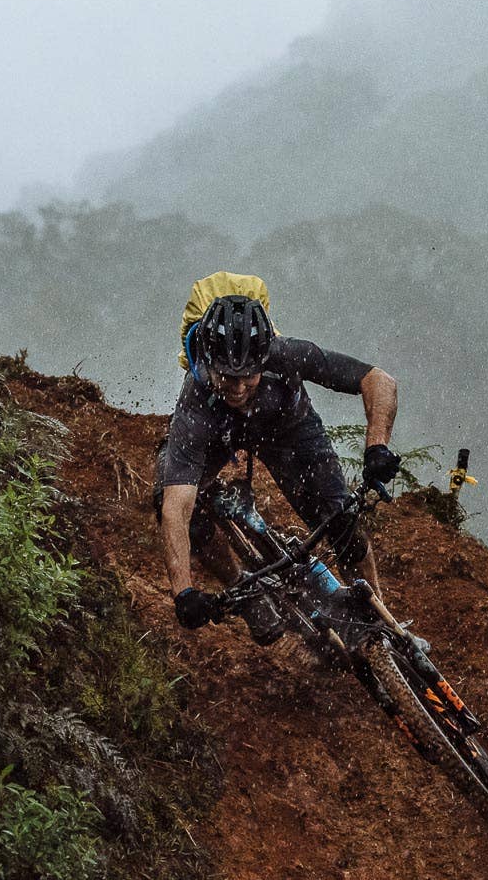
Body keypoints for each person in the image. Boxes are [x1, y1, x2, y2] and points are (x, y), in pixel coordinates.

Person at [154, 271, 400, 638]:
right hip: (218, 433)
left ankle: (381, 624)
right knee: (175, 503)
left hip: (288, 429)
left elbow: (378, 380)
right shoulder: (196, 401)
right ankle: (245, 591)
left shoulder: (287, 355)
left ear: (264, 359)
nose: (238, 387)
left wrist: (376, 445)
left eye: (247, 376)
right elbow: (177, 503)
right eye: (227, 376)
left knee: (341, 523)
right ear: (209, 362)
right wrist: (184, 591)